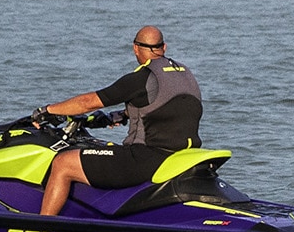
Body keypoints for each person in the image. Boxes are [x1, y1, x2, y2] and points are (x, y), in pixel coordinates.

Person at [36, 26, 202, 216]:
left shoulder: (141, 78)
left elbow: (87, 103)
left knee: (63, 162)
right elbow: (168, 106)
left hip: (145, 159)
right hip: (181, 154)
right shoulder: (185, 73)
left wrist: (47, 111)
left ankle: (43, 226)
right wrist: (122, 115)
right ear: (163, 47)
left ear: (135, 48)